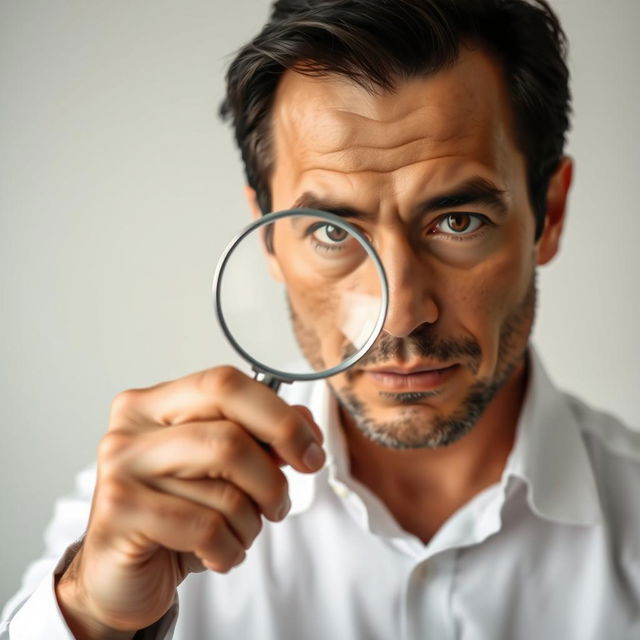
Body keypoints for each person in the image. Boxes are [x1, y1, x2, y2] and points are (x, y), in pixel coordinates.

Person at [2, 0, 639, 638]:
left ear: (549, 215)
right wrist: (91, 615)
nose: (400, 317)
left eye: (457, 221)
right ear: (269, 239)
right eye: (333, 232)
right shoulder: (142, 511)